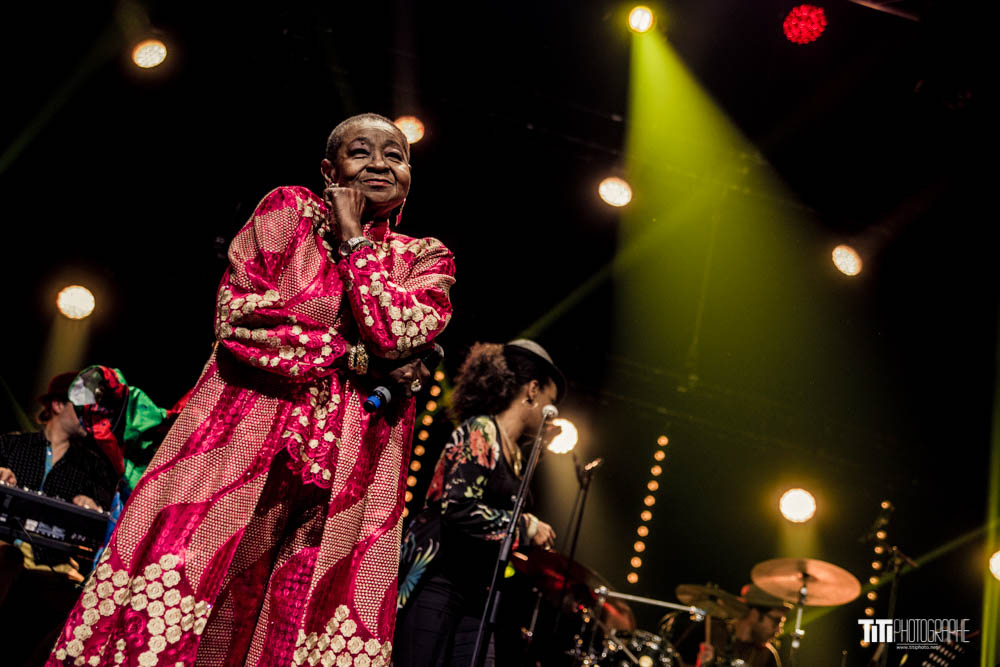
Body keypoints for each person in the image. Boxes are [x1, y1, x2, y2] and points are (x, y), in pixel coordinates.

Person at [47, 112, 455, 667]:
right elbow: (241, 320)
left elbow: (397, 329)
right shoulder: (289, 210)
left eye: (397, 155)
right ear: (329, 169)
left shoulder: (424, 258)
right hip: (244, 436)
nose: (381, 163)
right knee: (190, 590)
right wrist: (359, 358)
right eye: (362, 151)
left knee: (295, 621)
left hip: (350, 470)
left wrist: (356, 243)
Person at [394, 339, 563, 667]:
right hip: (438, 584)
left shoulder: (515, 456)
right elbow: (458, 509)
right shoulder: (481, 432)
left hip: (476, 595)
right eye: (550, 401)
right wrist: (527, 525)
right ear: (531, 390)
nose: (550, 411)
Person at [0, 372, 118, 665]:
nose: (89, 415)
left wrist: (91, 507)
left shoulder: (94, 466)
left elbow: (105, 519)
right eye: (82, 406)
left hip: (52, 577)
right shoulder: (11, 445)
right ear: (57, 405)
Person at [668, 584, 787, 667]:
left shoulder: (767, 655)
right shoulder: (708, 631)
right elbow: (670, 662)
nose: (778, 629)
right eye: (776, 621)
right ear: (755, 614)